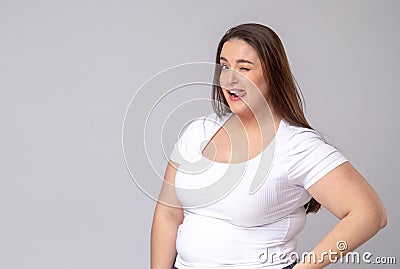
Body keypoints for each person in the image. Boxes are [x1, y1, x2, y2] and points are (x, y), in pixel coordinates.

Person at [150, 23, 387, 269]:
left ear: (272, 74)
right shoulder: (198, 131)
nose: (230, 78)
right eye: (224, 66)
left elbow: (370, 214)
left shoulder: (297, 146)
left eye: (244, 68)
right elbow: (168, 214)